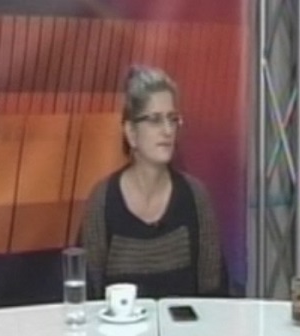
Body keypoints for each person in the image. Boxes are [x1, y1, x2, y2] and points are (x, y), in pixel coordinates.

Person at [80, 65, 226, 300]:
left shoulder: (195, 197)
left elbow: (215, 298)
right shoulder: (103, 201)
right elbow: (87, 298)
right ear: (131, 132)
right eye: (155, 120)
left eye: (172, 119)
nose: (168, 131)